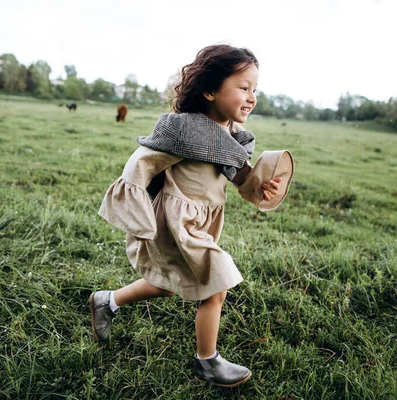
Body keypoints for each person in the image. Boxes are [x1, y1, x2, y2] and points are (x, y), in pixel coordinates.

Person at [91, 44, 294, 388]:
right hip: (174, 222)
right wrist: (132, 201)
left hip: (201, 222)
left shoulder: (232, 137)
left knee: (168, 285)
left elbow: (242, 178)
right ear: (210, 90)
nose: (252, 97)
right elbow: (143, 161)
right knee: (216, 282)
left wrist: (264, 189)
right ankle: (207, 362)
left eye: (255, 89)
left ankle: (107, 301)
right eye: (243, 88)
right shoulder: (183, 129)